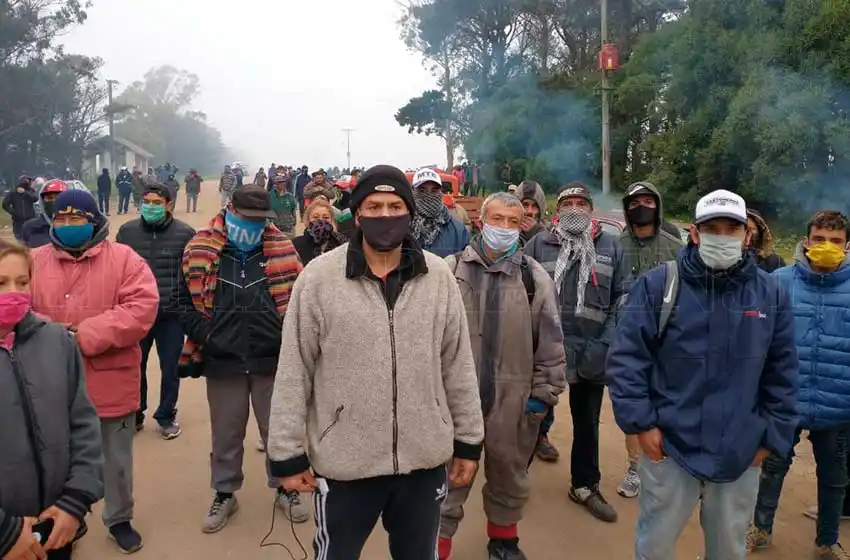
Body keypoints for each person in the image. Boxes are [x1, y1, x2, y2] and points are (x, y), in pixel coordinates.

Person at [268, 164, 485, 560]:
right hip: (345, 463)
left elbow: (458, 364)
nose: (385, 216)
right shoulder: (319, 278)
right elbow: (294, 368)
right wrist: (286, 452)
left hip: (423, 460)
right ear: (357, 214)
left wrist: (469, 442)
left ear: (409, 212)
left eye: (395, 206)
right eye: (374, 206)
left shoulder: (438, 277)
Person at [606, 189, 799, 560]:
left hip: (740, 451)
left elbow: (784, 372)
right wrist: (643, 425)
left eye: (732, 229)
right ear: (694, 233)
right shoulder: (660, 286)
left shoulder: (770, 294)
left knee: (728, 550)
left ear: (747, 235)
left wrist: (770, 439)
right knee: (654, 547)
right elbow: (627, 358)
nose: (722, 237)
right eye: (712, 228)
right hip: (670, 447)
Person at [30, 189, 159, 554]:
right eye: (61, 219)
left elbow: (141, 307)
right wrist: (54, 336)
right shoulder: (34, 261)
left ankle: (119, 518)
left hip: (110, 379)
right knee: (54, 460)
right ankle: (62, 523)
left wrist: (84, 335)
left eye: (77, 219)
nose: (68, 225)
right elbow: (17, 306)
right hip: (50, 382)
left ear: (94, 220)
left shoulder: (125, 260)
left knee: (115, 460)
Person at [440, 193, 566, 560]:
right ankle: (437, 546)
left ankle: (503, 541)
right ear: (481, 222)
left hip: (513, 404)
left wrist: (541, 398)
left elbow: (551, 344)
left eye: (513, 221)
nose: (505, 228)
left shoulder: (534, 278)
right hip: (455, 402)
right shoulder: (449, 271)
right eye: (497, 219)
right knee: (446, 482)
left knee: (509, 477)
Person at [177, 187, 306, 534]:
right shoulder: (200, 249)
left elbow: (301, 303)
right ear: (230, 210)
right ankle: (225, 493)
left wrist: (283, 338)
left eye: (261, 220)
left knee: (277, 430)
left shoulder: (282, 249)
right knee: (226, 433)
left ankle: (285, 487)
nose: (254, 226)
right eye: (248, 218)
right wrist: (210, 336)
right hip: (223, 361)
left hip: (271, 360)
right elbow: (183, 304)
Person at [746, 210, 850, 559]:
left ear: (847, 246)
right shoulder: (779, 282)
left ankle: (827, 541)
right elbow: (758, 339)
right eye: (819, 239)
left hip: (838, 402)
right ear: (806, 242)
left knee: (834, 477)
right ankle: (760, 529)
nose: (826, 246)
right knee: (773, 467)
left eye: (835, 241)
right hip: (785, 399)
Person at [524, 181, 626, 524]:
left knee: (587, 423)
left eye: (581, 203)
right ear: (557, 210)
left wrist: (605, 344)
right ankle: (513, 479)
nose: (574, 209)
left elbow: (622, 298)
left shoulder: (611, 246)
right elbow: (522, 294)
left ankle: (584, 485)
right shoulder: (539, 243)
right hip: (544, 352)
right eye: (567, 203)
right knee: (530, 417)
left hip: (591, 350)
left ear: (591, 209)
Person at [0, 239, 104, 560]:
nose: (13, 293)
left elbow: (83, 424)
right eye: (0, 283)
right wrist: (5, 534)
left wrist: (74, 502)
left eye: (22, 282)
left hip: (55, 526)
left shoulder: (57, 341)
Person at [615, 180, 683, 499]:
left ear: (658, 205)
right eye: (634, 203)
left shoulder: (675, 246)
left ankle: (672, 466)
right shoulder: (616, 245)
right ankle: (635, 468)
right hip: (630, 340)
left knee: (670, 403)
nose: (641, 207)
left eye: (647, 201)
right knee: (635, 404)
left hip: (669, 340)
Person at [116, 182, 196, 439]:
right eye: (147, 202)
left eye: (157, 203)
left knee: (171, 368)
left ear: (168, 204)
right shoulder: (127, 232)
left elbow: (192, 273)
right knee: (134, 366)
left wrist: (186, 309)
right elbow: (117, 270)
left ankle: (166, 415)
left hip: (171, 315)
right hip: (135, 314)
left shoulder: (185, 234)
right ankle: (135, 413)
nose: (151, 207)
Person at [410, 167, 470, 257]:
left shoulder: (458, 230)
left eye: (434, 191)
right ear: (413, 192)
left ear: (440, 192)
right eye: (422, 191)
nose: (429, 196)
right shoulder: (402, 226)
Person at [292, 199, 346, 266]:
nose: (321, 220)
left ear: (331, 220)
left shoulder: (341, 243)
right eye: (316, 217)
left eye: (326, 217)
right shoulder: (296, 244)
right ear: (308, 220)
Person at [21, 179, 68, 249]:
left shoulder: (76, 226)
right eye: (49, 198)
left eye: (59, 197)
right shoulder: (30, 227)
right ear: (42, 201)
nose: (54, 201)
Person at [3, 175, 38, 241]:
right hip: (18, 221)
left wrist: (25, 192)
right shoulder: (14, 192)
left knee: (30, 239)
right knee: (19, 239)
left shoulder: (30, 191)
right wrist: (14, 213)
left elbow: (35, 199)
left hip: (30, 219)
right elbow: (5, 204)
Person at [515, 180, 547, 247]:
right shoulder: (507, 229)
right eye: (525, 204)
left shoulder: (551, 230)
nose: (529, 211)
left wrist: (536, 231)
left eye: (534, 206)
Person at [270, 170, 298, 235]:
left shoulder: (290, 196)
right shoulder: (269, 196)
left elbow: (293, 209)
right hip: (275, 228)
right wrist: (270, 223)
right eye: (279, 182)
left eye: (283, 182)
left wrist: (294, 221)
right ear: (275, 184)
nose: (282, 184)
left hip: (288, 227)